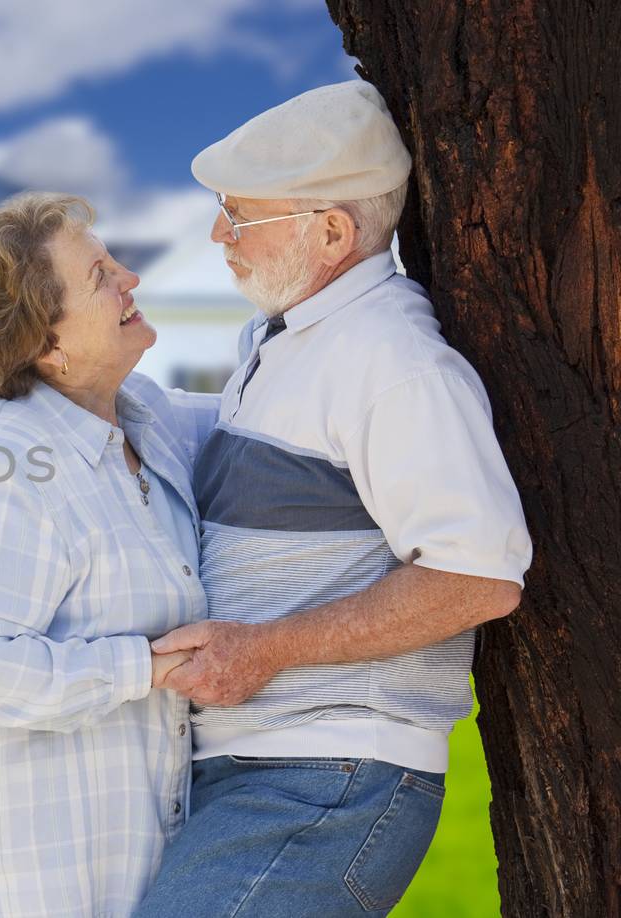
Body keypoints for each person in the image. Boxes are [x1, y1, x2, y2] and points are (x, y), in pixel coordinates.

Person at [133, 80, 533, 917]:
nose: (218, 234)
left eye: (239, 216)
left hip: (330, 777)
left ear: (332, 232)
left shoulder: (393, 364)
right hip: (262, 768)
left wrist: (267, 647)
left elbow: (478, 579)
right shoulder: (280, 338)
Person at [0, 191, 219, 917]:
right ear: (45, 345)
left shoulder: (142, 416)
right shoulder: (7, 470)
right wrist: (143, 666)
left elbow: (266, 416)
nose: (130, 277)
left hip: (114, 856)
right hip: (18, 876)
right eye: (100, 276)